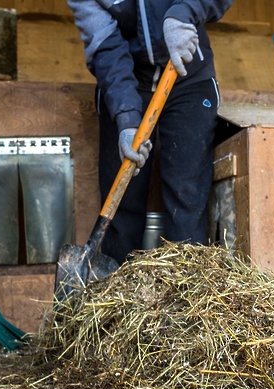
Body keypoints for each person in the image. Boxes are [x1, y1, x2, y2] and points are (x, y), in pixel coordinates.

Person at [67, 0, 233, 265]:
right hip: (128, 83)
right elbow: (105, 45)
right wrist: (126, 117)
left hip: (189, 76)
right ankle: (116, 287)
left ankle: (188, 291)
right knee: (123, 200)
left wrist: (183, 13)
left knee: (186, 196)